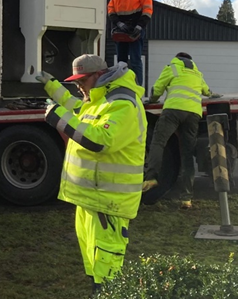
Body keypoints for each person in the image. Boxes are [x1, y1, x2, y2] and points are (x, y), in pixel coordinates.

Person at [35, 55, 146, 297]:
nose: (78, 87)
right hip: (91, 200)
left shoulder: (123, 104)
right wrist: (50, 84)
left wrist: (56, 117)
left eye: (82, 81)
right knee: (95, 265)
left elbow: (99, 140)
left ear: (98, 75)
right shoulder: (98, 98)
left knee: (107, 270)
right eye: (75, 82)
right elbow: (74, 105)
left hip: (108, 203)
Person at [142, 52, 216, 209]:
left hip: (173, 111)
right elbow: (207, 91)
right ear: (190, 61)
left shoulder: (172, 68)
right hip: (193, 114)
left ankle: (151, 177)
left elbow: (157, 89)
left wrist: (152, 100)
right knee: (187, 154)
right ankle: (186, 198)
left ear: (177, 59)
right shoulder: (197, 73)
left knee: (159, 142)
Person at [108, 0, 152, 88]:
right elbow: (111, 10)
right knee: (121, 61)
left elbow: (147, 10)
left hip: (135, 28)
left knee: (135, 60)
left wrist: (139, 27)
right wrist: (119, 23)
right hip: (121, 29)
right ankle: (122, 85)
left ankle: (137, 87)